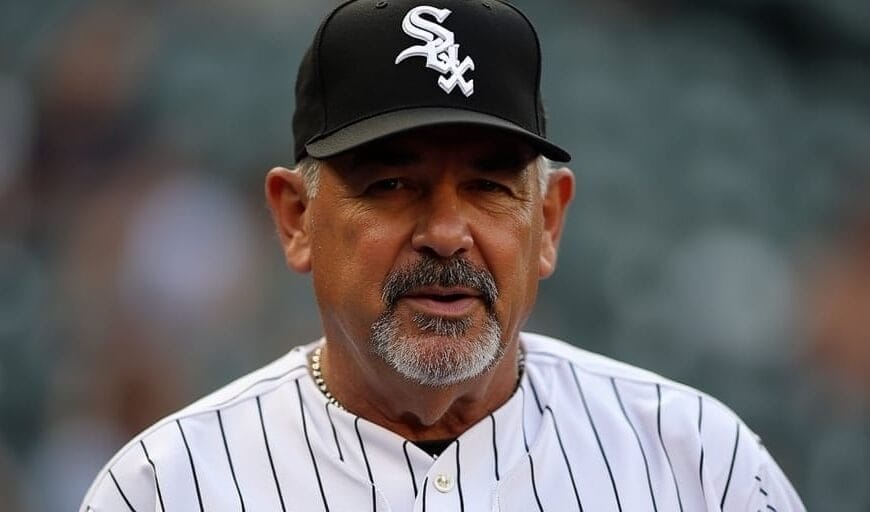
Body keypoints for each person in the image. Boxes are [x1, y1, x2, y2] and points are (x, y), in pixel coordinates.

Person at [81, 0, 805, 510]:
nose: (447, 231)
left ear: (548, 222)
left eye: (490, 186)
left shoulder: (703, 466)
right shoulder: (164, 489)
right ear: (297, 218)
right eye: (393, 184)